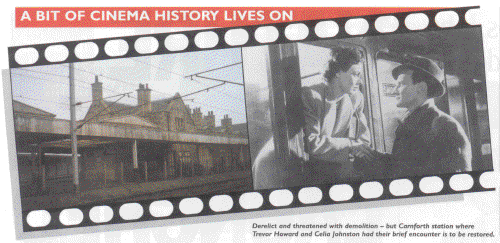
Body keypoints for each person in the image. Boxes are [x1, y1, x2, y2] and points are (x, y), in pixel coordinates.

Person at [253, 47, 375, 189]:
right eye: (355, 74)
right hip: (277, 160)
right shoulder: (310, 95)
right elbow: (312, 143)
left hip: (319, 163)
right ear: (337, 72)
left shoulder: (356, 98)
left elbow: (363, 139)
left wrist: (358, 148)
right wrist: (351, 145)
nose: (359, 81)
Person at [374, 55, 472, 177]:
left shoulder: (444, 125)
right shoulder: (411, 121)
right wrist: (371, 155)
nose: (395, 90)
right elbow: (405, 164)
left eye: (400, 84)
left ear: (421, 88)